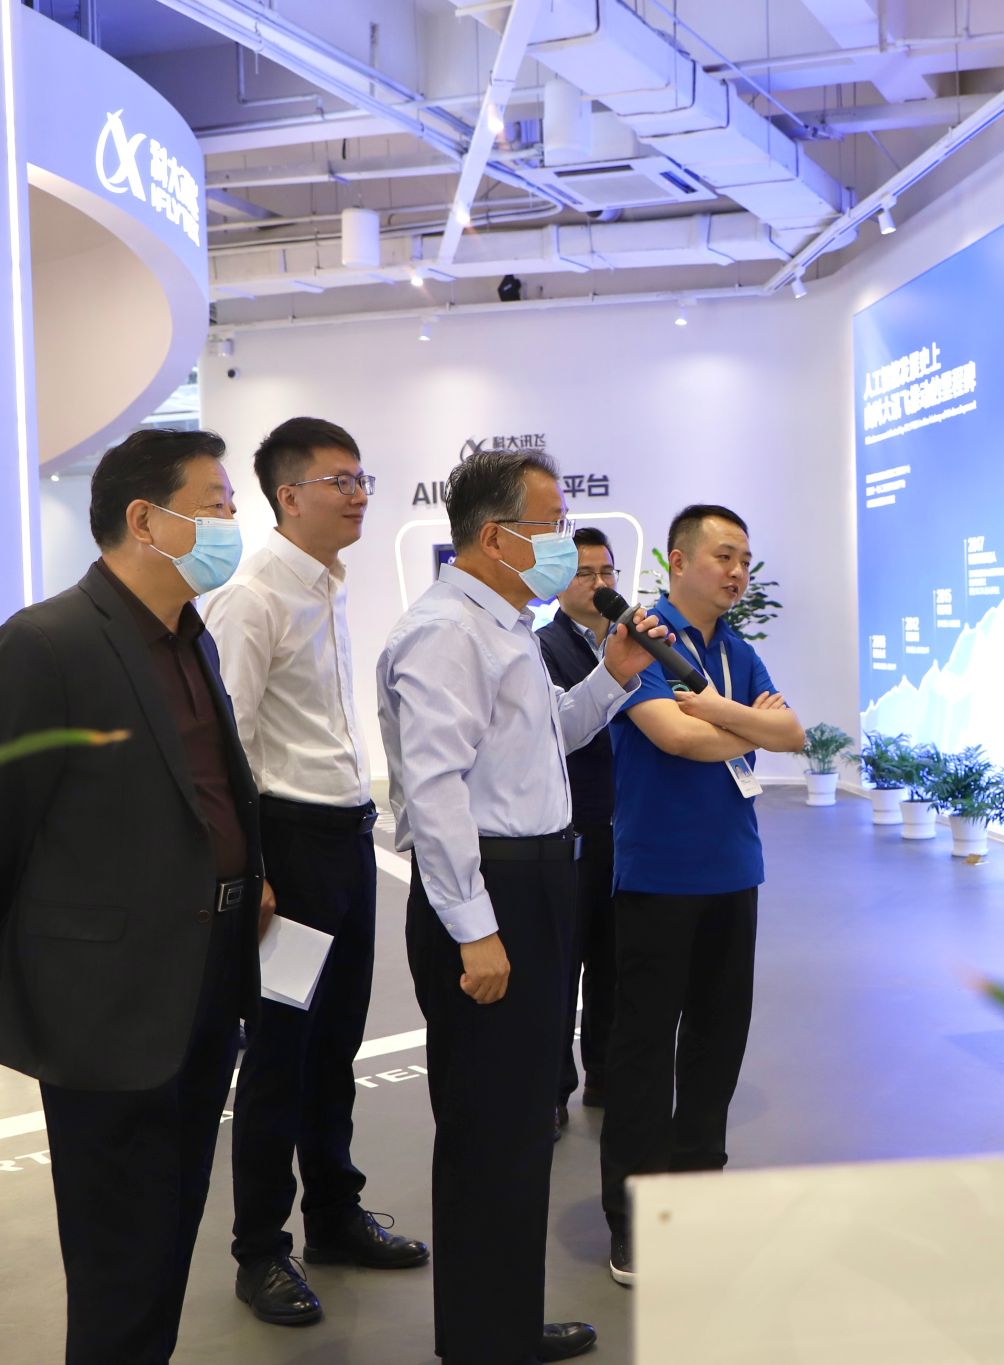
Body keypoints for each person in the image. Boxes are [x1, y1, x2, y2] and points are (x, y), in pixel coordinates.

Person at [0, 429, 267, 1363]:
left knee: (169, 1229)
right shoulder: (47, 644)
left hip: (206, 974)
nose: (230, 522)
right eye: (215, 504)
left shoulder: (191, 638)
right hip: (105, 999)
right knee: (118, 1250)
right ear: (144, 519)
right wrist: (53, 952)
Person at [378, 446, 669, 1365]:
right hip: (492, 889)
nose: (564, 545)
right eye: (550, 526)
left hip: (536, 879)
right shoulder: (445, 632)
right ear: (497, 536)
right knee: (488, 1127)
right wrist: (476, 929)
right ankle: (481, 1339)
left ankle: (500, 1320)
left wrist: (614, 673)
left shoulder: (505, 625)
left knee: (517, 1126)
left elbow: (550, 739)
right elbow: (436, 791)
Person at [203, 417, 428, 1329]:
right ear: (288, 495)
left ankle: (335, 1213)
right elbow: (226, 749)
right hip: (288, 853)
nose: (359, 493)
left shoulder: (326, 582)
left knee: (335, 1042)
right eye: (341, 480)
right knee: (280, 1055)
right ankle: (261, 1249)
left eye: (363, 478)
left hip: (343, 841)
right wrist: (255, 868)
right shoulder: (251, 596)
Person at [599, 504, 804, 1286]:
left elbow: (793, 735)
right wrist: (748, 724)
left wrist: (717, 710)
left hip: (733, 871)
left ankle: (697, 1193)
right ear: (678, 561)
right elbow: (673, 737)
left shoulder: (737, 650)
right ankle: (635, 1220)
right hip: (658, 875)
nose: (737, 571)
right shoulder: (641, 639)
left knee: (718, 1045)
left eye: (744, 558)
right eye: (723, 555)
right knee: (645, 1053)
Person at [536, 527, 620, 1137]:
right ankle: (552, 1088)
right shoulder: (541, 648)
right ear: (561, 582)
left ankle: (607, 1077)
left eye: (607, 571)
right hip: (572, 830)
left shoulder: (636, 642)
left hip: (626, 828)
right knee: (562, 968)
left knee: (615, 963)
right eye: (585, 573)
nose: (598, 583)